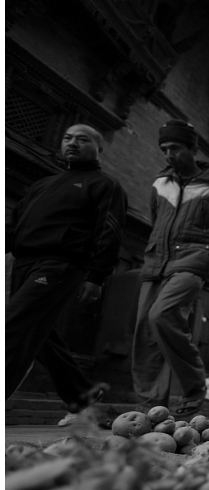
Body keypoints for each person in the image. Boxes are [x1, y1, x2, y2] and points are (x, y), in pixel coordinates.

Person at [5, 124, 127, 425]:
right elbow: (15, 224)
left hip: (60, 264)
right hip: (22, 264)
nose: (72, 143)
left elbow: (110, 233)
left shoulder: (104, 185)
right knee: (41, 334)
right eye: (67, 138)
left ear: (98, 146)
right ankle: (82, 395)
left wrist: (96, 276)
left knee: (12, 326)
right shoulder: (43, 185)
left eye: (82, 139)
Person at [132, 120, 209, 418]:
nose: (168, 154)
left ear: (193, 149)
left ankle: (193, 389)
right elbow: (157, 222)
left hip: (194, 259)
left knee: (162, 314)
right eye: (164, 148)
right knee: (145, 330)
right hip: (157, 260)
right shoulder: (160, 184)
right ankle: (151, 405)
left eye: (175, 148)